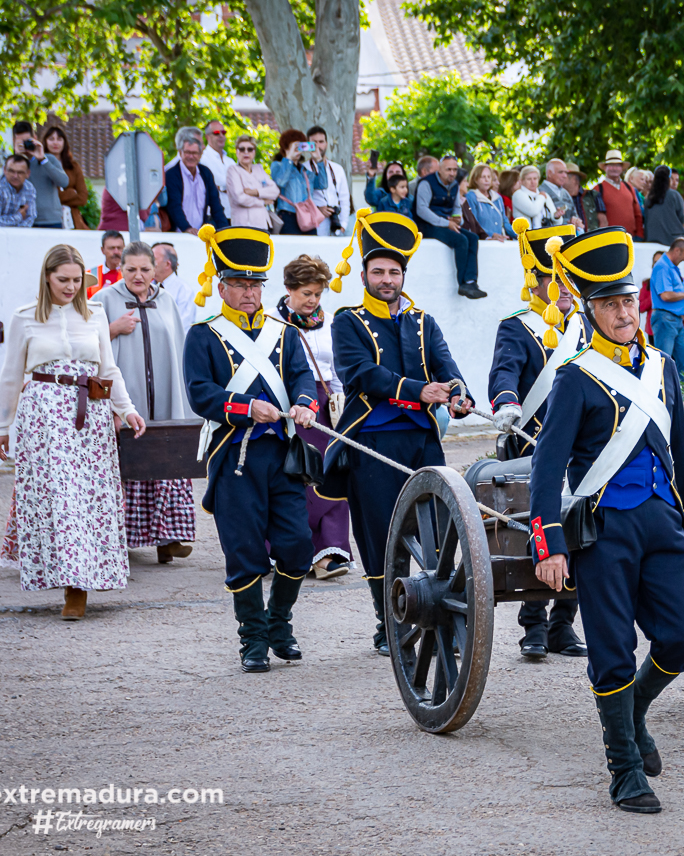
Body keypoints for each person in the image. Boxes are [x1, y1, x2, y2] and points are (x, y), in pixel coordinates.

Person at [527, 226, 684, 814]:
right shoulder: (575, 378)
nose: (623, 312)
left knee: (683, 635)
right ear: (591, 309)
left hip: (660, 521)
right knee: (611, 650)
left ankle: (633, 711)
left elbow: (682, 450)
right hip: (603, 529)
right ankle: (624, 768)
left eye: (628, 300)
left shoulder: (661, 367)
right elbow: (547, 469)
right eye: (609, 303)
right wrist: (548, 544)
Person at [321, 209, 473, 656]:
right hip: (372, 440)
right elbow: (361, 374)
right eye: (378, 271)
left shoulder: (424, 322)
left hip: (422, 441)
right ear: (364, 274)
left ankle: (435, 614)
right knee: (381, 533)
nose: (386, 279)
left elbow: (448, 368)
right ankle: (389, 623)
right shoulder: (347, 320)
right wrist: (418, 389)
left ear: (403, 275)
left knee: (436, 531)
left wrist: (459, 397)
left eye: (394, 272)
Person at [184, 225, 318, 672]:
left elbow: (301, 377)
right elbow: (201, 394)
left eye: (254, 284)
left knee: (298, 545)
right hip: (234, 454)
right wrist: (245, 407)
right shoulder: (203, 334)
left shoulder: (284, 332)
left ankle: (279, 623)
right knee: (244, 551)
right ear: (221, 285)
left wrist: (302, 403)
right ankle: (254, 639)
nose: (247, 292)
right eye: (238, 284)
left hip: (282, 452)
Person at [0, 244, 146, 619]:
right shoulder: (24, 317)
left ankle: (83, 582)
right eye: (63, 280)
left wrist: (126, 410)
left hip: (90, 416)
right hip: (43, 417)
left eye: (77, 280)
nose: (71, 287)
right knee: (59, 499)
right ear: (47, 277)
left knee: (88, 498)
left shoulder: (94, 314)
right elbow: (12, 373)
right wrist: (1, 426)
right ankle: (70, 585)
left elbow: (108, 370)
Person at [487, 218, 590, 658]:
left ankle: (563, 623)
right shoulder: (517, 325)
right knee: (539, 527)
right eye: (556, 278)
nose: (564, 288)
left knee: (582, 531)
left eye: (570, 279)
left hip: (586, 449)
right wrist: (506, 401)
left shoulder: (587, 328)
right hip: (531, 445)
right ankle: (533, 622)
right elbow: (505, 369)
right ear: (537, 279)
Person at [96, 241, 196, 563]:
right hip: (125, 404)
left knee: (167, 462)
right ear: (120, 269)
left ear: (156, 270)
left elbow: (177, 348)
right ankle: (120, 540)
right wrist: (112, 329)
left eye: (145, 269)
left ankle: (168, 539)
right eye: (131, 269)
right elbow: (86, 346)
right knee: (128, 468)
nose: (138, 276)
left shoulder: (165, 300)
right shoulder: (104, 300)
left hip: (163, 401)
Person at [275, 254, 351, 580]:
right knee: (293, 478)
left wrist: (339, 406)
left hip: (323, 407)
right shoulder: (272, 322)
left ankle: (330, 551)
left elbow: (335, 371)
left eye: (318, 294)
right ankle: (293, 551)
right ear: (289, 289)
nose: (313, 300)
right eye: (306, 293)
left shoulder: (331, 321)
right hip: (284, 407)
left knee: (333, 475)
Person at [415, 154, 486, 298]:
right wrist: (446, 223)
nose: (452, 173)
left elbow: (456, 207)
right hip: (427, 225)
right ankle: (462, 284)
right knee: (461, 240)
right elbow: (421, 210)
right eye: (448, 170)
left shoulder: (454, 185)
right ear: (439, 170)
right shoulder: (426, 183)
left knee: (472, 238)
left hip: (447, 223)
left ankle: (471, 281)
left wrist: (457, 217)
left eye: (454, 170)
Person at [165, 129, 229, 234]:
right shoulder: (172, 175)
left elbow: (216, 206)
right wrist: (187, 228)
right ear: (180, 153)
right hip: (178, 233)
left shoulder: (206, 173)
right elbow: (174, 206)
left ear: (200, 154)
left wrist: (225, 230)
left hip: (200, 234)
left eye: (194, 153)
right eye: (187, 152)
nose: (191, 156)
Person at [649, 237, 684, 377]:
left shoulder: (671, 267)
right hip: (665, 319)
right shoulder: (662, 267)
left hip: (675, 320)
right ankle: (663, 396)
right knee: (663, 362)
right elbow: (666, 295)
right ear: (677, 250)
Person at [11, 121, 70, 229]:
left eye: (28, 141)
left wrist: (43, 160)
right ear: (14, 141)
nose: (25, 145)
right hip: (24, 220)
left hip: (51, 220)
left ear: (35, 138)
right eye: (21, 142)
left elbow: (64, 182)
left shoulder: (49, 159)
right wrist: (18, 159)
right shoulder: (11, 165)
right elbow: (8, 187)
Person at [40, 125, 90, 230]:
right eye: (51, 139)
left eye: (59, 139)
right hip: (47, 219)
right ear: (45, 142)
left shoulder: (73, 166)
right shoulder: (40, 166)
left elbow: (82, 198)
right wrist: (71, 193)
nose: (55, 143)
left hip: (72, 221)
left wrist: (59, 198)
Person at [225, 135, 280, 230]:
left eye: (250, 149)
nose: (246, 152)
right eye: (242, 149)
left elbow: (275, 191)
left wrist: (254, 192)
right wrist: (263, 201)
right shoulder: (233, 170)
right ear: (237, 152)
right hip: (243, 225)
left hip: (262, 224)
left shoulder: (259, 169)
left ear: (254, 152)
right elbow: (240, 198)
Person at [305, 126, 350, 237]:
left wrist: (343, 224)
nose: (318, 146)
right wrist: (317, 208)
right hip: (314, 222)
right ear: (308, 144)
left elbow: (344, 199)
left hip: (335, 222)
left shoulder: (337, 169)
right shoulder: (303, 168)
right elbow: (302, 199)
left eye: (321, 142)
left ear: (326, 143)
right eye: (314, 142)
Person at [593, 150, 645, 239]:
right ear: (605, 168)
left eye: (617, 165)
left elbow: (638, 213)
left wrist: (640, 235)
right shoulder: (598, 189)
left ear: (621, 168)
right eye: (611, 165)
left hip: (632, 238)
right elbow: (595, 218)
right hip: (610, 239)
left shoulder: (629, 187)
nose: (614, 168)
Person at [0, 154, 37, 228]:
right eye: (11, 171)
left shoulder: (29, 187)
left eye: (20, 172)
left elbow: (31, 217)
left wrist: (17, 233)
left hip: (19, 236)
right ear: (4, 170)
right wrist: (19, 216)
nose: (15, 176)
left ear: (28, 173)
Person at [152, 242, 196, 334]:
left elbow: (183, 326)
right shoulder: (146, 286)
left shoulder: (184, 290)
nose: (149, 263)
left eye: (153, 259)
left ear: (168, 264)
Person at [463, 164, 514, 240]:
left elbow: (505, 221)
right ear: (476, 179)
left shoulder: (497, 197)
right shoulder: (471, 196)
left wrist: (518, 235)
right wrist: (490, 235)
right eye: (483, 177)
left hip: (499, 241)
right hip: (482, 241)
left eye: (489, 177)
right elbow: (474, 223)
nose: (486, 180)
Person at [643, 165, 684, 246]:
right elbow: (682, 219)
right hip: (674, 239)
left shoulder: (648, 198)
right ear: (668, 179)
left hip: (651, 239)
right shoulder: (674, 194)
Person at [199, 119, 233, 216]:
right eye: (216, 133)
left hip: (233, 214)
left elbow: (242, 184)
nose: (221, 136)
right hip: (212, 215)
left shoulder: (230, 161)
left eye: (223, 132)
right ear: (207, 137)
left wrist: (222, 187)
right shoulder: (203, 158)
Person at [541, 159, 583, 231]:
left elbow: (575, 215)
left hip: (570, 236)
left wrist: (576, 221)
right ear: (549, 173)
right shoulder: (540, 191)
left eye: (565, 172)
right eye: (561, 172)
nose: (565, 176)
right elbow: (542, 221)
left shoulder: (565, 193)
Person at [511, 164, 558, 229]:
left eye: (535, 179)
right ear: (522, 181)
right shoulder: (518, 194)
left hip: (546, 234)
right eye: (529, 179)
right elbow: (533, 211)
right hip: (527, 236)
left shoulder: (544, 195)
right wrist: (541, 197)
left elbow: (557, 221)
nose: (533, 182)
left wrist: (557, 216)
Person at [88, 231, 126, 298]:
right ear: (102, 250)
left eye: (119, 248)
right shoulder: (89, 275)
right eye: (111, 248)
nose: (116, 252)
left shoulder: (130, 273)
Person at [562, 162, 593, 229]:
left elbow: (603, 220)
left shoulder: (592, 195)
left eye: (565, 176)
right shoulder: (560, 197)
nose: (562, 178)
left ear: (575, 180)